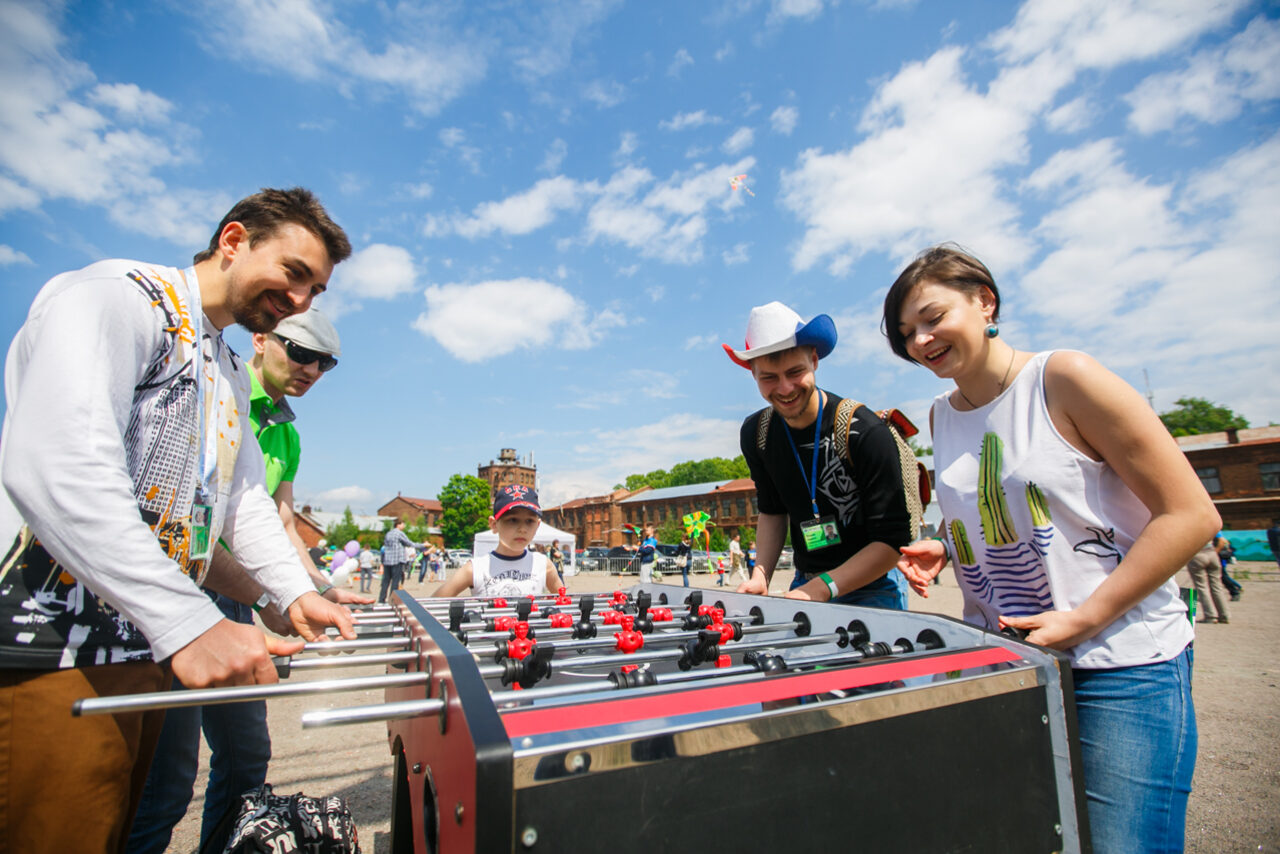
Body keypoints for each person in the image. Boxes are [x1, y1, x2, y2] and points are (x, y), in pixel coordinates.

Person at [0, 186, 358, 853]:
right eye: (293, 273)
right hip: (50, 647)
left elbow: (242, 502)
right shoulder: (117, 297)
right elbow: (58, 467)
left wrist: (293, 591)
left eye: (316, 290)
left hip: (139, 647)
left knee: (121, 829)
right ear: (232, 241)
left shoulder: (222, 361)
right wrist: (191, 621)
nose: (302, 300)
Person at [884, 244, 1219, 853]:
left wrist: (1086, 616)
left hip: (1119, 666)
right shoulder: (939, 414)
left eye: (932, 317)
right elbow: (1012, 512)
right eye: (907, 332)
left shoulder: (1064, 377)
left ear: (985, 301)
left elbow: (1191, 514)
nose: (921, 340)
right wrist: (946, 546)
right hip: (1011, 662)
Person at [128, 307, 372, 854]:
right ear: (260, 338)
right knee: (165, 784)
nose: (312, 369)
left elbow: (281, 523)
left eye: (326, 363)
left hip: (243, 597)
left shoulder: (286, 434)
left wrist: (317, 590)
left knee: (246, 759)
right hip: (185, 589)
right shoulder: (214, 396)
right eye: (301, 352)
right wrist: (267, 594)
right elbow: (190, 524)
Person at [725, 301, 914, 607]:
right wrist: (760, 575)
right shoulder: (756, 433)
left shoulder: (863, 431)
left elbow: (892, 542)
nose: (785, 388)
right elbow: (772, 510)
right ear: (753, 374)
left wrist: (823, 587)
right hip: (807, 581)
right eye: (769, 377)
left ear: (814, 360)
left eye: (795, 372)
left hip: (873, 584)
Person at [434, 485, 564, 597]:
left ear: (537, 525)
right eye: (513, 520)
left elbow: (564, 603)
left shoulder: (543, 565)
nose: (522, 529)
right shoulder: (475, 568)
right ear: (494, 524)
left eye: (529, 521)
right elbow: (430, 608)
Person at [380, 519, 430, 603]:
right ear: (398, 525)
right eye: (403, 524)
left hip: (387, 560)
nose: (404, 526)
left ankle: (381, 600)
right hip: (397, 560)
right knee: (395, 582)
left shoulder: (388, 534)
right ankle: (392, 600)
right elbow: (410, 544)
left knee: (386, 581)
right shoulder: (399, 533)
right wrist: (423, 545)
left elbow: (385, 547)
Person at [1187, 541, 1230, 624]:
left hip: (1198, 554)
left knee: (1202, 587)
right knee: (1217, 586)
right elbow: (1222, 541)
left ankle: (1210, 615)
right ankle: (1224, 615)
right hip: (1212, 553)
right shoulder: (1207, 527)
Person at [1215, 533, 1242, 600]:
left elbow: (1223, 541)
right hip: (1212, 556)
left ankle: (1235, 591)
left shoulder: (1214, 530)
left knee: (1223, 576)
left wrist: (1214, 553)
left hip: (1217, 558)